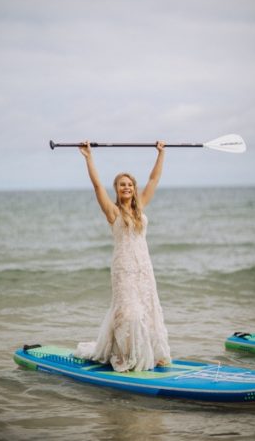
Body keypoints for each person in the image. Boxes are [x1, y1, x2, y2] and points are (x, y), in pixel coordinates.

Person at [73, 141, 171, 372]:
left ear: (133, 188)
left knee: (148, 310)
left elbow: (154, 180)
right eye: (121, 185)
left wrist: (161, 153)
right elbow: (97, 185)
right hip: (123, 269)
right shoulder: (112, 211)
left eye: (129, 184)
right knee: (129, 313)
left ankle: (152, 354)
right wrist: (88, 157)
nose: (126, 188)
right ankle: (126, 356)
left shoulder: (140, 208)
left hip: (144, 268)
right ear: (116, 189)